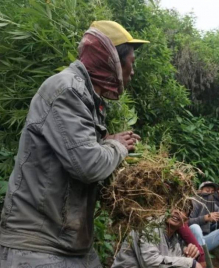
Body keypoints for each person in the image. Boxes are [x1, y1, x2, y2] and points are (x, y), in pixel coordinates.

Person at [0, 20, 148, 267]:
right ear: (109, 59)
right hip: (38, 247)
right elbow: (88, 164)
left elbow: (76, 149)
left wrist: (103, 142)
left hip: (69, 246)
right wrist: (118, 146)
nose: (132, 72)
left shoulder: (87, 97)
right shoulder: (68, 90)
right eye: (131, 63)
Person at [112, 209, 203, 268]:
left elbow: (170, 263)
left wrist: (189, 255)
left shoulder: (175, 240)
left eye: (183, 210)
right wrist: (189, 263)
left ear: (185, 221)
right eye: (174, 206)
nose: (177, 211)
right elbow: (150, 262)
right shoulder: (147, 225)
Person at [188, 181, 219, 268]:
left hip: (204, 241)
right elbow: (186, 222)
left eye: (212, 191)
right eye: (207, 190)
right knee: (195, 227)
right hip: (190, 244)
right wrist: (205, 218)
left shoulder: (211, 203)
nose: (210, 193)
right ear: (200, 191)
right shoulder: (193, 201)